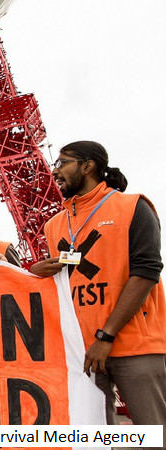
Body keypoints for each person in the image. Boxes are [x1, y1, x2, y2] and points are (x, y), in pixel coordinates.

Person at [30, 140, 165, 432]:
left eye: (62, 162)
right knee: (93, 436)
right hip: (82, 351)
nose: (55, 171)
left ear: (88, 166)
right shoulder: (54, 225)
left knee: (152, 434)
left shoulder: (133, 207)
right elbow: (66, 280)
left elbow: (146, 272)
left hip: (133, 346)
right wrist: (35, 271)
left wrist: (106, 336)